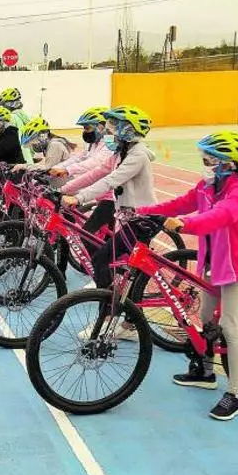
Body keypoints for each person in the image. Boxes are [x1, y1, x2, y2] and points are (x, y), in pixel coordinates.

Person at [136, 131, 238, 421]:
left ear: (228, 163)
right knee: (206, 318)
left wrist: (185, 224)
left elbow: (221, 215)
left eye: (209, 159)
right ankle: (205, 373)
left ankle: (235, 395)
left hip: (232, 266)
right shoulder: (206, 186)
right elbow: (181, 203)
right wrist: (142, 211)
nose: (204, 163)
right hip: (210, 262)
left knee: (229, 325)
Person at [63, 106, 158, 341]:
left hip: (140, 220)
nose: (111, 131)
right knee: (129, 272)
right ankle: (129, 323)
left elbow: (111, 180)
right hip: (126, 218)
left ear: (129, 129)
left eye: (116, 126)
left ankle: (108, 318)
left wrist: (79, 198)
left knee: (102, 260)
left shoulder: (137, 155)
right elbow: (98, 172)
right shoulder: (122, 152)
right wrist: (64, 189)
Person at [50, 107, 116, 234]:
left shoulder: (109, 144)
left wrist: (68, 171)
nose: (85, 132)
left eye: (87, 128)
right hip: (97, 191)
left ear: (101, 127)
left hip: (109, 196)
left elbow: (96, 164)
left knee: (88, 234)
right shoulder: (93, 143)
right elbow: (79, 157)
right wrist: (59, 168)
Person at [11, 117, 77, 188]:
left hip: (64, 186)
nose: (33, 146)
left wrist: (24, 166)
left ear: (43, 136)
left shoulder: (55, 145)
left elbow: (48, 168)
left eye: (33, 142)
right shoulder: (52, 144)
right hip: (61, 183)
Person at [0, 87, 34, 163]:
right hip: (27, 158)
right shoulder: (22, 116)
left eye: (2, 106)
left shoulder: (12, 118)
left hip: (17, 161)